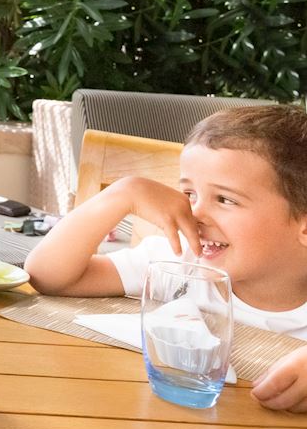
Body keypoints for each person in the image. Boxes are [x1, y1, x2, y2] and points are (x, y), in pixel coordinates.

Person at [23, 104, 307, 413]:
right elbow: (46, 275)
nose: (195, 214)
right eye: (189, 194)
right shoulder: (178, 263)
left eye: (225, 199)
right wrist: (124, 194)